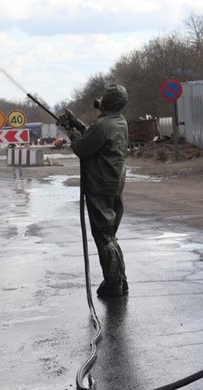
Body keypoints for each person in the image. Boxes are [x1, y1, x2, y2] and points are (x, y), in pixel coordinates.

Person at [59, 84, 129, 298]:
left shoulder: (104, 125)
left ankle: (113, 283)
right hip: (114, 182)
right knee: (110, 234)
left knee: (103, 236)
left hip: (99, 183)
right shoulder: (119, 121)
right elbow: (96, 136)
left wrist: (71, 133)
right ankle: (120, 279)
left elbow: (82, 149)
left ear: (106, 102)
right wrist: (78, 125)